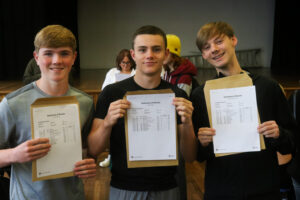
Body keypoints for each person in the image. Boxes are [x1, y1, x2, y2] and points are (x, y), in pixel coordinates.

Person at [191, 21, 298, 200]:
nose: (214, 49)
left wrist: (279, 133)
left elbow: (293, 141)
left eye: (219, 41)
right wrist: (202, 142)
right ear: (203, 54)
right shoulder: (200, 95)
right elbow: (197, 156)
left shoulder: (268, 88)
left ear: (233, 40)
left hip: (264, 189)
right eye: (207, 47)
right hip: (221, 190)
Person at [88, 25, 197, 200]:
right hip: (124, 188)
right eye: (142, 50)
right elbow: (93, 149)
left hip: (167, 188)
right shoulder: (111, 93)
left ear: (165, 53)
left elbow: (190, 156)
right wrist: (108, 121)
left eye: (156, 49)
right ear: (133, 55)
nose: (149, 55)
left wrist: (188, 123)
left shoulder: (178, 95)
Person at [0, 25, 97, 200]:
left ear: (74, 57)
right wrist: (14, 154)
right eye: (48, 53)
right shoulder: (12, 103)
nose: (57, 60)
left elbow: (84, 150)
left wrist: (88, 163)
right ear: (36, 58)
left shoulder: (85, 102)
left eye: (64, 53)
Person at [99, 49, 136, 168]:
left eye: (128, 62)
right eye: (123, 63)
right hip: (114, 107)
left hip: (131, 107)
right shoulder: (112, 72)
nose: (125, 65)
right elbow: (104, 89)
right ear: (119, 62)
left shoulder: (136, 72)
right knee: (112, 134)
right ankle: (110, 157)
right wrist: (114, 85)